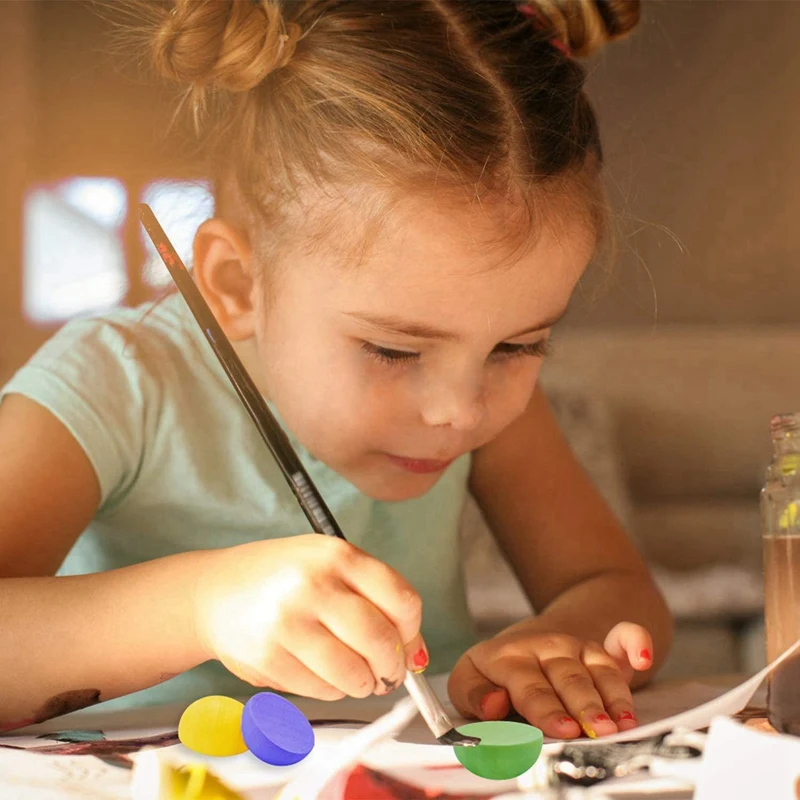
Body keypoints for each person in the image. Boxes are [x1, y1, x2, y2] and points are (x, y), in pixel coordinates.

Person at [0, 0, 672, 741]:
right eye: (394, 350)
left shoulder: (472, 397)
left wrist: (553, 648)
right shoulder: (115, 381)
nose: (459, 409)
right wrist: (201, 606)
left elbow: (614, 589)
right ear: (234, 285)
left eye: (516, 346)